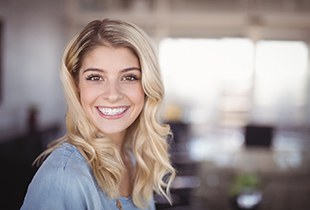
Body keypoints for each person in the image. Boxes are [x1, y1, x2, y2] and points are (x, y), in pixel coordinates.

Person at [20, 19, 176, 210]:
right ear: (77, 86)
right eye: (95, 77)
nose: (112, 95)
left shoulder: (134, 160)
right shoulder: (64, 177)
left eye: (129, 77)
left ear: (147, 86)